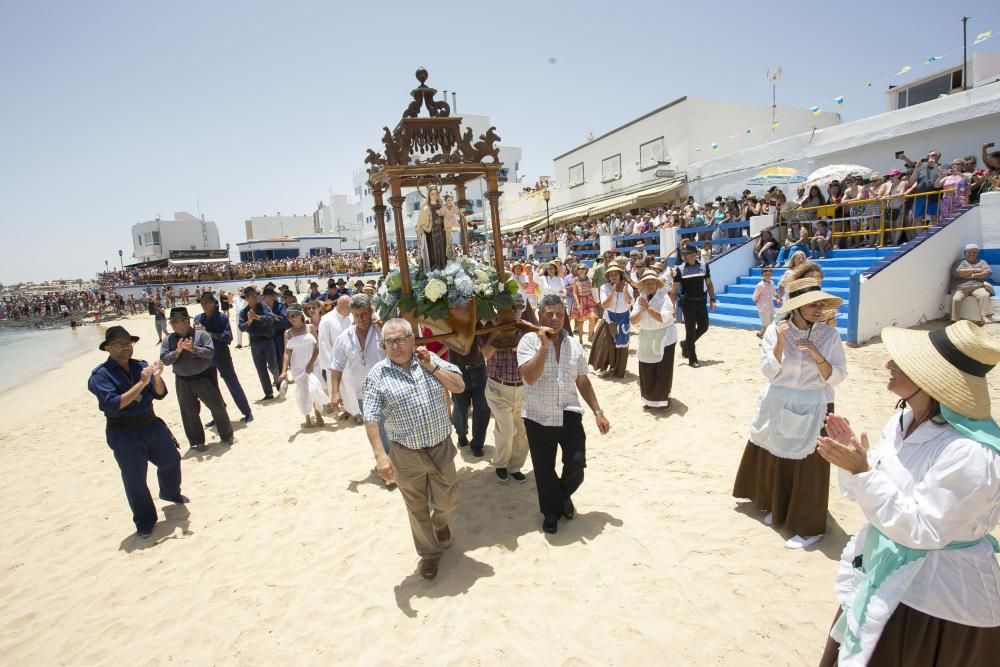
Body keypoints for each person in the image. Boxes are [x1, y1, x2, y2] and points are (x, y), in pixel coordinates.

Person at [816, 320, 1000, 667]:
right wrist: (855, 462)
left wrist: (862, 471)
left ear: (930, 382)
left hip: (936, 601)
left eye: (900, 363)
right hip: (884, 569)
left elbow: (923, 530)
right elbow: (876, 496)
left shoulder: (972, 454)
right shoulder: (902, 422)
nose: (887, 364)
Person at [732, 278, 847, 549]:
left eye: (821, 304)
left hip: (814, 403)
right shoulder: (775, 330)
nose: (818, 309)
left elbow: (838, 376)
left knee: (810, 465)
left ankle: (809, 527)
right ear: (796, 307)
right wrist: (781, 342)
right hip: (779, 399)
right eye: (812, 304)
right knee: (778, 454)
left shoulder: (830, 336)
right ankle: (780, 509)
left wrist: (818, 356)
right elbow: (769, 371)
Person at [361, 318, 466, 580]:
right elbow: (371, 417)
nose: (395, 346)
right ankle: (429, 554)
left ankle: (440, 523)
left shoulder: (429, 360)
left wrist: (431, 367)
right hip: (405, 454)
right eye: (390, 342)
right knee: (416, 507)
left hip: (440, 446)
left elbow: (459, 386)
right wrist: (380, 455)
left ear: (411, 339)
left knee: (448, 500)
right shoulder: (377, 375)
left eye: (400, 340)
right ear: (384, 345)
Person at [518, 294, 611, 534]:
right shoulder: (528, 342)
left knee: (577, 465)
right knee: (544, 470)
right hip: (538, 417)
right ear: (540, 315)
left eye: (559, 313)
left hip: (569, 413)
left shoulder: (574, 345)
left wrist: (598, 411)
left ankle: (561, 496)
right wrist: (544, 347)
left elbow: (582, 380)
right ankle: (551, 512)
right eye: (549, 313)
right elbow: (529, 377)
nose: (555, 318)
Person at [88, 326, 187, 538]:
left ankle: (170, 493)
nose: (126, 347)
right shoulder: (100, 376)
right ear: (108, 348)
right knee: (135, 479)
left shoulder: (140, 366)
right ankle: (145, 521)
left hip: (151, 424)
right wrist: (142, 383)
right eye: (120, 344)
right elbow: (115, 404)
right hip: (124, 432)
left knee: (171, 459)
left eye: (128, 343)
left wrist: (157, 378)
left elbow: (159, 394)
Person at [160, 307, 235, 451]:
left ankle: (227, 436)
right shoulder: (168, 340)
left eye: (176, 321)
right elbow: (165, 360)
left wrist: (194, 350)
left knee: (217, 407)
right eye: (172, 321)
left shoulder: (201, 335)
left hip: (203, 377)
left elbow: (211, 354)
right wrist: (177, 351)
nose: (173, 324)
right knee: (189, 412)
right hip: (182, 380)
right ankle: (197, 442)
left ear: (186, 321)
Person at [480, 293, 529, 482]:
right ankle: (500, 464)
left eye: (518, 307)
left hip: (522, 389)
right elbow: (485, 353)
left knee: (521, 433)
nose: (515, 312)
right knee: (507, 431)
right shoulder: (489, 329)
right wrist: (499, 335)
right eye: (510, 308)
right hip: (497, 388)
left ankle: (515, 466)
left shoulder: (526, 330)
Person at [194, 292, 253, 425]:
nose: (204, 305)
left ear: (214, 304)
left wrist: (208, 333)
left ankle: (247, 412)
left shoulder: (221, 317)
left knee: (232, 383)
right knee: (212, 388)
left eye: (207, 302)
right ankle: (218, 415)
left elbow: (228, 338)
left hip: (222, 355)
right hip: (206, 358)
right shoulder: (198, 318)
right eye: (202, 302)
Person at [329, 294, 384, 425]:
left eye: (364, 314)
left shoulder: (382, 332)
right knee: (373, 427)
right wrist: (335, 393)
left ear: (371, 312)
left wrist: (384, 330)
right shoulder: (344, 337)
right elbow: (336, 366)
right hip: (361, 393)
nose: (361, 318)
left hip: (386, 390)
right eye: (356, 315)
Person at [630, 270, 677, 410]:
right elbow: (633, 320)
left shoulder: (664, 298)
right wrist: (642, 309)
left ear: (657, 284)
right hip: (646, 337)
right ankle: (649, 400)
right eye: (646, 282)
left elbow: (663, 318)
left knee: (663, 370)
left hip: (665, 338)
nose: (649, 284)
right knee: (646, 369)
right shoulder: (641, 298)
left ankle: (664, 399)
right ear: (643, 285)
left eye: (652, 282)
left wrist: (648, 308)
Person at [279, 306, 328, 428]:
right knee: (303, 392)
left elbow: (317, 348)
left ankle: (318, 414)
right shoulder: (288, 333)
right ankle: (307, 417)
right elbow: (286, 352)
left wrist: (311, 363)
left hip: (313, 365)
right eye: (288, 317)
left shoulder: (310, 328)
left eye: (293, 316)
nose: (291, 319)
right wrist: (284, 371)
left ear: (300, 315)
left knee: (315, 389)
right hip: (297, 367)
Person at [671, 246, 716, 368]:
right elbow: (674, 289)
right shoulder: (679, 269)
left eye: (687, 253)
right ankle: (692, 359)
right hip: (688, 304)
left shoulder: (703, 266)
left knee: (704, 326)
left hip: (701, 302)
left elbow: (709, 283)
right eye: (683, 254)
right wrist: (672, 306)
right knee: (690, 331)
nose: (684, 256)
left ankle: (686, 344)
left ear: (695, 254)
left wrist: (712, 299)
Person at [450, 336, 491, 457]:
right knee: (460, 407)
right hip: (457, 370)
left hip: (479, 368)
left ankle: (477, 444)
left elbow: (491, 331)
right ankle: (461, 434)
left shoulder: (477, 320)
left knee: (482, 408)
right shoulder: (449, 322)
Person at [589, 263, 632, 377]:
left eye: (616, 274)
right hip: (609, 318)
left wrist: (625, 291)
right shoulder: (604, 287)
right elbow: (605, 305)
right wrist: (612, 293)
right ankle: (603, 367)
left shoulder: (627, 287)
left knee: (621, 346)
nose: (614, 276)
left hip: (623, 319)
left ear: (620, 275)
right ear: (608, 277)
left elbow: (629, 302)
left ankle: (618, 370)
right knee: (606, 344)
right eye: (611, 274)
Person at [238, 286, 280, 400]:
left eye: (256, 294)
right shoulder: (243, 312)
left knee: (272, 365)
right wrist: (250, 321)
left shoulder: (264, 306)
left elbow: (271, 318)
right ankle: (268, 393)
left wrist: (257, 317)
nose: (256, 296)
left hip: (268, 340)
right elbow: (241, 327)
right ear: (246, 298)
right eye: (253, 295)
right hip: (255, 343)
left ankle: (277, 380)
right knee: (261, 369)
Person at [318, 295, 353, 404]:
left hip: (352, 360)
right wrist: (332, 365)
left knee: (351, 388)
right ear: (341, 305)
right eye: (349, 307)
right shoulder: (326, 320)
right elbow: (323, 343)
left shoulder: (351, 317)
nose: (351, 310)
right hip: (335, 363)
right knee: (338, 388)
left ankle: (353, 411)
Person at [950, 243, 995, 324]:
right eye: (969, 252)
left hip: (977, 286)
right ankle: (955, 319)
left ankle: (985, 316)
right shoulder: (959, 262)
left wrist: (972, 275)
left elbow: (988, 272)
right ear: (965, 253)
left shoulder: (982, 262)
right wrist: (977, 269)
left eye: (974, 252)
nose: (972, 254)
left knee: (984, 295)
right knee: (956, 299)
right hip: (961, 287)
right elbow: (956, 273)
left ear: (977, 253)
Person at [262, 287, 289, 372]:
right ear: (264, 297)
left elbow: (285, 320)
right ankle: (277, 377)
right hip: (268, 337)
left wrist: (272, 316)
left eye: (271, 296)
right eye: (268, 296)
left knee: (282, 357)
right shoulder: (261, 308)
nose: (270, 298)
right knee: (271, 360)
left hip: (280, 336)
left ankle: (283, 376)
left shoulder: (281, 306)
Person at [570, 263, 598, 343]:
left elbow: (594, 290)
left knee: (593, 318)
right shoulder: (575, 280)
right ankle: (581, 340)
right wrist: (577, 304)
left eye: (583, 268)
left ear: (586, 270)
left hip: (590, 300)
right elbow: (574, 293)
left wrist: (596, 300)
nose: (581, 270)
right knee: (580, 322)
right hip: (580, 300)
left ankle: (590, 336)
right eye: (579, 269)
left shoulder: (589, 279)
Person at [753, 267, 776, 338]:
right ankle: (765, 340)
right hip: (763, 308)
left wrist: (778, 297)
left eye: (769, 274)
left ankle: (760, 334)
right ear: (762, 275)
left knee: (772, 324)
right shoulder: (760, 285)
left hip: (771, 307)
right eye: (765, 274)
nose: (768, 276)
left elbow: (773, 292)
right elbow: (755, 297)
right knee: (768, 326)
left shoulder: (772, 283)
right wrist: (760, 305)